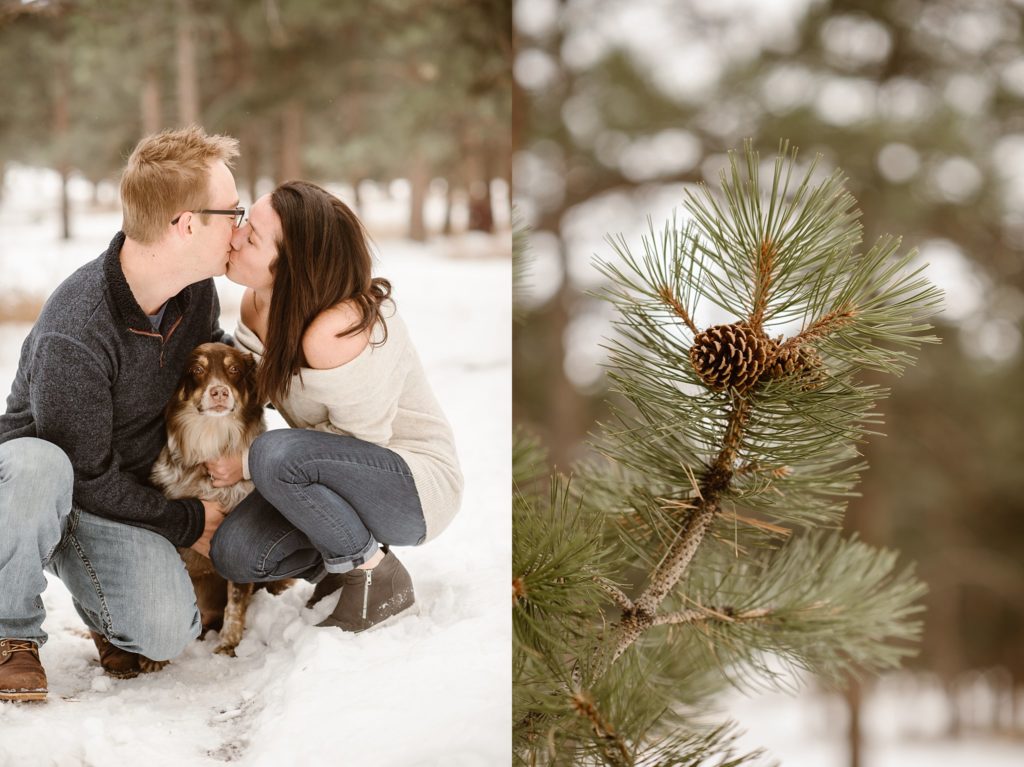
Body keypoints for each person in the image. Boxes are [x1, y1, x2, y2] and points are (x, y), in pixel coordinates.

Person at [0, 126, 242, 701]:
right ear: (186, 224)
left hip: (123, 488)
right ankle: (10, 633)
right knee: (40, 467)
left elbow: (209, 357)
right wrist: (186, 522)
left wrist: (236, 443)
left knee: (165, 634)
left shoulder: (195, 292)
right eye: (231, 211)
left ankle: (110, 610)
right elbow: (83, 475)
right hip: (43, 491)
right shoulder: (77, 328)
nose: (241, 223)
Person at [207, 180, 463, 632]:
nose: (236, 236)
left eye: (252, 237)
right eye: (244, 222)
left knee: (273, 453)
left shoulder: (337, 329)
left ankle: (376, 576)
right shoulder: (258, 303)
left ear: (291, 265)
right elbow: (256, 386)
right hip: (326, 476)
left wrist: (248, 462)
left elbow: (361, 443)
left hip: (413, 486)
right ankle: (338, 569)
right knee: (237, 552)